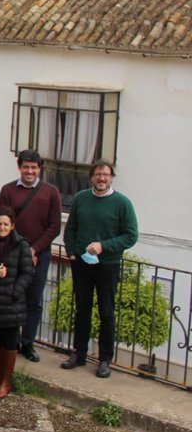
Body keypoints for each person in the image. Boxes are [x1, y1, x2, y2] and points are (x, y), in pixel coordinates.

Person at [61, 160, 138, 378]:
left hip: (108, 265)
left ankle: (105, 359)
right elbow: (71, 228)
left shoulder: (122, 203)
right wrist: (71, 253)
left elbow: (131, 236)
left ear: (112, 177)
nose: (102, 178)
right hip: (82, 264)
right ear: (91, 177)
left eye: (105, 174)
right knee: (82, 309)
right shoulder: (81, 198)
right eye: (98, 174)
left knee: (106, 312)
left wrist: (104, 246)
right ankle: (79, 353)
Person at [0, 150, 62, 363]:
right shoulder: (8, 190)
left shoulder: (51, 192)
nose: (29, 171)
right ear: (19, 167)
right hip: (13, 253)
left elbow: (54, 226)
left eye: (34, 167)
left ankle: (27, 342)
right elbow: (3, 222)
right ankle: (11, 340)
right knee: (13, 296)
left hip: (40, 254)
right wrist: (22, 250)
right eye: (26, 167)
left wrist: (34, 250)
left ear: (39, 169)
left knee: (34, 299)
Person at [0, 208, 33, 398]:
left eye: (5, 224)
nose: (2, 227)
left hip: (11, 303)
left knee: (10, 341)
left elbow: (27, 273)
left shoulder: (21, 245)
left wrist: (14, 292)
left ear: (12, 226)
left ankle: (5, 382)